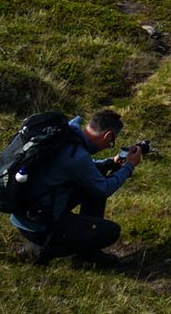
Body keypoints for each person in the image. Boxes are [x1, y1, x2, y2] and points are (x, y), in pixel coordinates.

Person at [10, 110, 142, 267]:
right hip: (38, 224)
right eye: (110, 143)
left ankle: (80, 250)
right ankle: (42, 249)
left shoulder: (66, 135)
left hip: (25, 213)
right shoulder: (76, 155)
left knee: (94, 184)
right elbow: (104, 188)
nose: (108, 146)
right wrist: (129, 167)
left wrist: (110, 163)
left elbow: (79, 168)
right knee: (110, 232)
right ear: (107, 136)